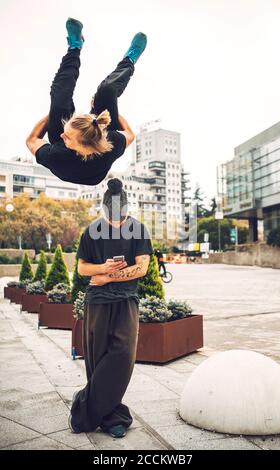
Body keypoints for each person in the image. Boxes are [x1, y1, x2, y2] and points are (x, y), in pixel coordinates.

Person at [69, 178, 153, 438]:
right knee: (97, 358)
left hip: (126, 300)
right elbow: (82, 267)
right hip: (97, 302)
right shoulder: (91, 231)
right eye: (113, 216)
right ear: (104, 210)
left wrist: (109, 277)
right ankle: (112, 416)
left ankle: (84, 403)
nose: (118, 221)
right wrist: (102, 269)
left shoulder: (138, 229)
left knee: (122, 355)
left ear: (127, 209)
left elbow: (143, 267)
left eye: (122, 215)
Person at [26, 18, 147, 185]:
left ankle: (74, 47)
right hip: (92, 155)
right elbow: (130, 134)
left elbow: (31, 140)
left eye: (66, 135)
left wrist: (53, 112)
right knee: (107, 91)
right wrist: (110, 114)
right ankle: (129, 60)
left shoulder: (55, 156)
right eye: (66, 132)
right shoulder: (111, 143)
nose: (62, 135)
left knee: (59, 100)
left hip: (77, 161)